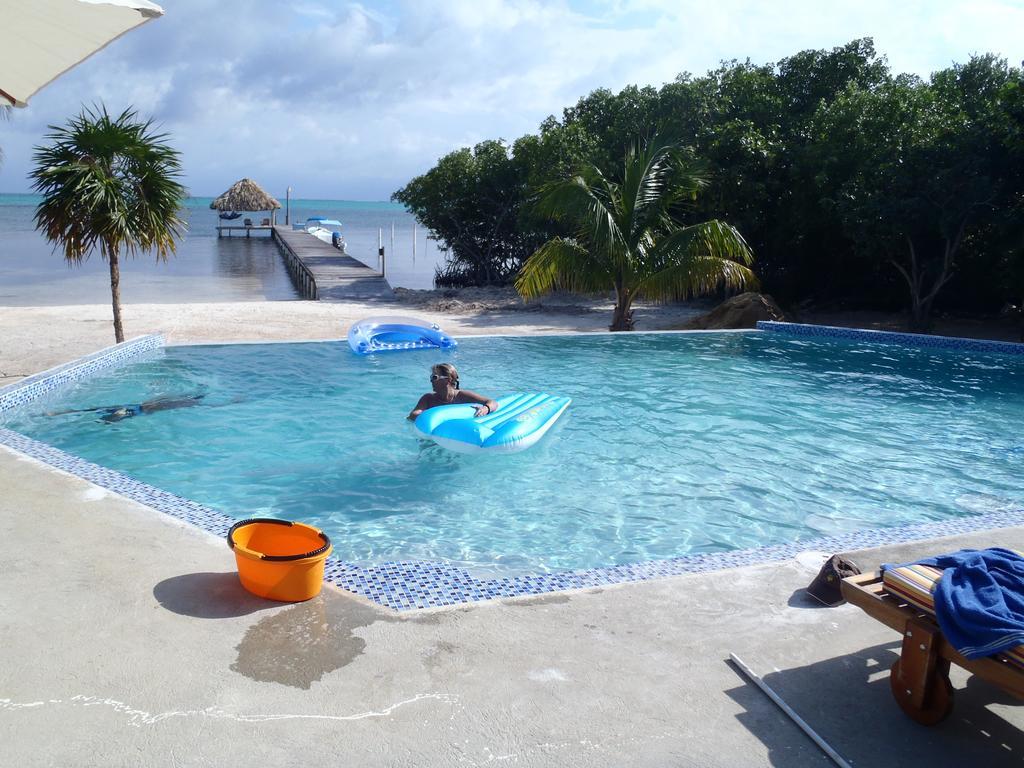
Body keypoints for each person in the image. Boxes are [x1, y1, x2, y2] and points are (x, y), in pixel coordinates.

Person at [407, 363, 498, 421]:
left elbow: (493, 403)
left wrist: (485, 409)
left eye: (434, 377)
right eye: (431, 377)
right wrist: (434, 416)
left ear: (448, 380)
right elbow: (413, 415)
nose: (431, 381)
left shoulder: (462, 396)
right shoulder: (428, 398)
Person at [48, 394, 209, 423]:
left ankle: (59, 413)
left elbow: (152, 402)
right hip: (136, 411)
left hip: (133, 406)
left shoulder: (174, 400)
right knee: (114, 418)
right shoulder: (182, 403)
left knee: (92, 410)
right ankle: (114, 417)